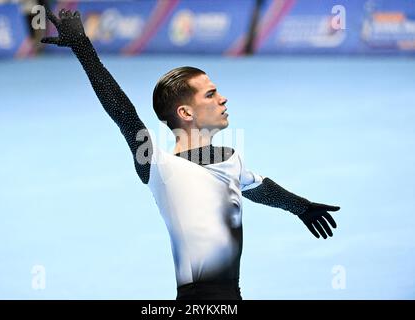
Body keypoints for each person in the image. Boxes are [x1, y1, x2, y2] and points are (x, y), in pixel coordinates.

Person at [41, 8, 340, 300]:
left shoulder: (230, 158)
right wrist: (83, 48)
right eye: (210, 94)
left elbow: (256, 186)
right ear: (185, 112)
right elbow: (122, 111)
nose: (223, 98)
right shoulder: (160, 165)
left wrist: (301, 207)